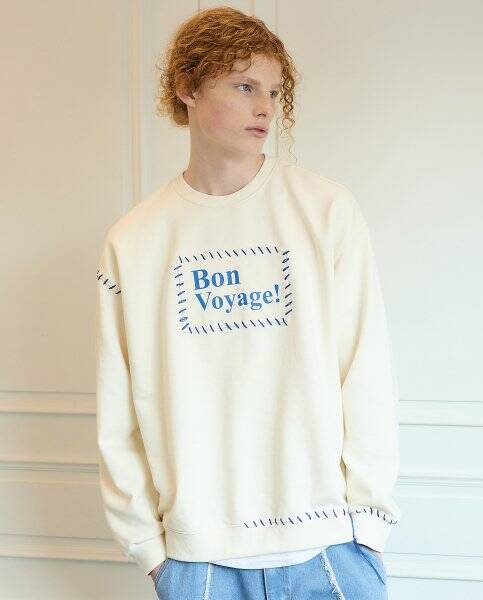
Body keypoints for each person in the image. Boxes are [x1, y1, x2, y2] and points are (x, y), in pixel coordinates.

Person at [94, 6, 401, 599]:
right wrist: (150, 550)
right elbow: (117, 414)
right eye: (244, 86)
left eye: (274, 91)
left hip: (330, 551)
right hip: (199, 563)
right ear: (187, 87)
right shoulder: (133, 242)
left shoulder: (326, 212)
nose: (265, 107)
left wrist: (369, 525)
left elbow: (365, 370)